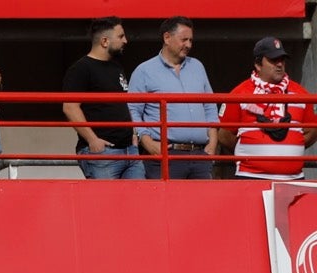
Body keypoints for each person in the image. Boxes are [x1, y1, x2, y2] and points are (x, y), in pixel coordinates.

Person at [128, 17, 217, 179]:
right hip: (165, 155)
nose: (189, 45)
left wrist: (212, 143)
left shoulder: (197, 66)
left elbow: (209, 106)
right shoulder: (144, 71)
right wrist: (147, 142)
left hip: (200, 154)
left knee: (204, 204)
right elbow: (132, 110)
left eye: (190, 40)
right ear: (167, 37)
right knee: (166, 204)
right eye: (184, 39)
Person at [218, 36, 314, 181]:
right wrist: (250, 152)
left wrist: (289, 146)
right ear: (258, 64)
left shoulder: (301, 93)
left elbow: (312, 131)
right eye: (273, 60)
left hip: (293, 179)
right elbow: (225, 136)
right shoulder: (240, 93)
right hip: (250, 177)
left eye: (282, 59)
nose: (280, 64)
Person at [61, 16, 139, 179]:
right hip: (103, 153)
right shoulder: (81, 69)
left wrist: (133, 134)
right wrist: (93, 140)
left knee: (139, 202)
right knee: (104, 203)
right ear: (105, 41)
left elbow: (123, 102)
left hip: (130, 151)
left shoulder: (116, 66)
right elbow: (70, 107)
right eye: (120, 36)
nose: (125, 41)